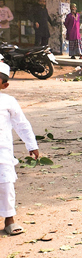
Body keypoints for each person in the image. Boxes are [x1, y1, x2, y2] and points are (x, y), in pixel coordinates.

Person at [0, 61, 39, 235]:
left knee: (6, 184)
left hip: (3, 152)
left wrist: (31, 145)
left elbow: (22, 124)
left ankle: (9, 219)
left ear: (4, 85)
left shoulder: (8, 101)